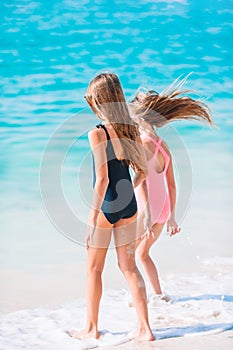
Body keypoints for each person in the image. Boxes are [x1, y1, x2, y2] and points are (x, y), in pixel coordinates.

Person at [67, 73, 154, 341]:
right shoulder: (129, 127)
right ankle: (145, 329)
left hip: (106, 208)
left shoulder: (97, 133)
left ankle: (91, 329)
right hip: (128, 206)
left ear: (99, 101)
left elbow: (102, 179)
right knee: (129, 268)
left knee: (94, 269)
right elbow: (141, 173)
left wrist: (92, 218)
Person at [129, 80, 214, 302]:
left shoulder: (143, 143)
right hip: (164, 208)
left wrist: (146, 214)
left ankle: (152, 297)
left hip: (149, 210)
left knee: (135, 255)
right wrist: (172, 217)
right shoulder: (162, 144)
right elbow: (172, 184)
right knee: (141, 253)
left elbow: (143, 180)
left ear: (139, 117)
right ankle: (155, 296)